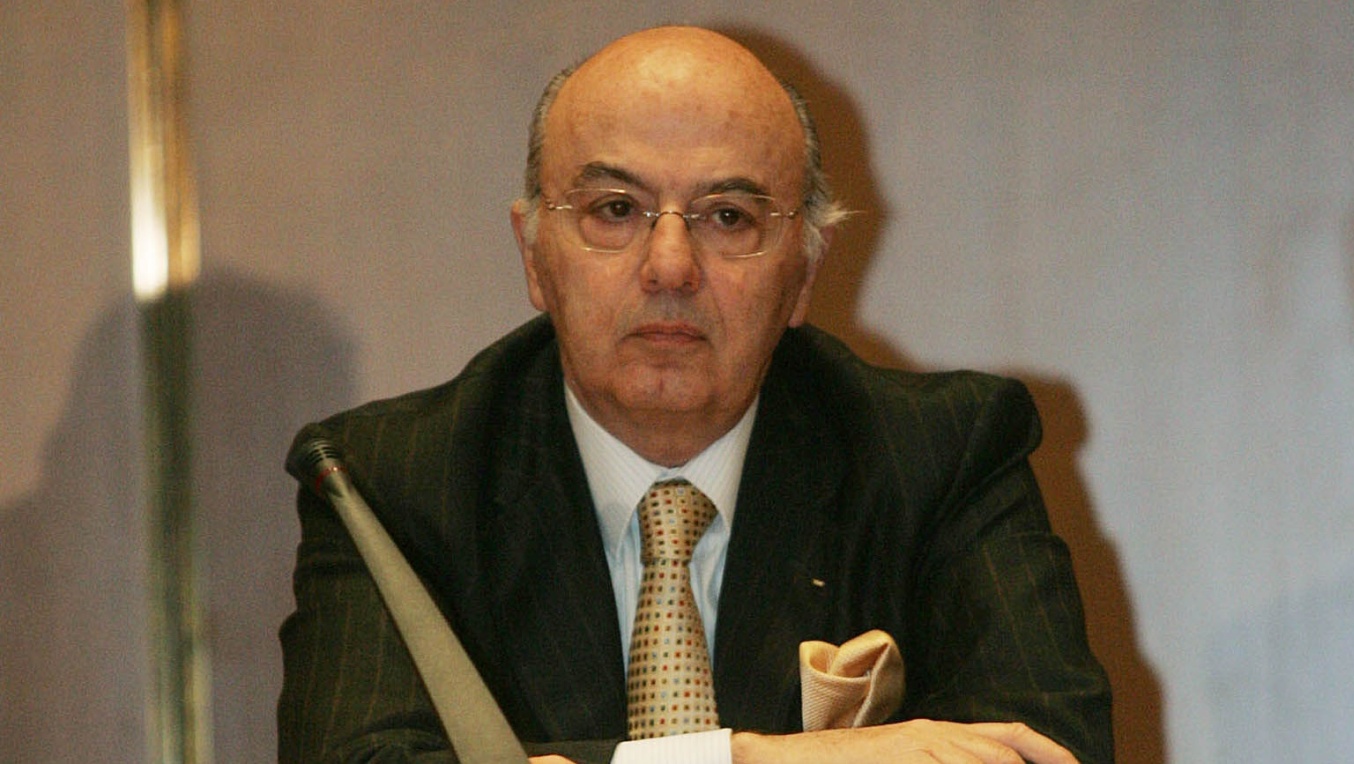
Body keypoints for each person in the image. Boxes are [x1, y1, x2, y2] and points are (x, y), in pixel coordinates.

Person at [278, 25, 1113, 764]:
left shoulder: (941, 455)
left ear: (804, 272)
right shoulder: (389, 483)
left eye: (729, 217)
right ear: (534, 255)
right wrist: (749, 759)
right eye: (615, 209)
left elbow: (1049, 751)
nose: (671, 267)